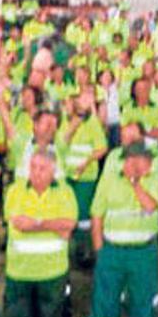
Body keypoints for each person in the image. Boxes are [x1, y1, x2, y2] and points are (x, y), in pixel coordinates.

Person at [80, 141, 158, 317]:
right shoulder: (109, 180)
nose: (134, 165)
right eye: (130, 160)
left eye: (140, 161)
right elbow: (97, 214)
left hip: (142, 254)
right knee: (102, 306)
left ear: (149, 164)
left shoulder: (154, 180)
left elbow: (151, 207)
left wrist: (136, 183)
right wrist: (100, 251)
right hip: (113, 253)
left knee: (142, 307)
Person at [0, 151, 77, 317]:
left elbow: (68, 225)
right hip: (20, 272)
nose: (36, 172)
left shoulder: (65, 192)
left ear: (53, 171)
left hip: (52, 273)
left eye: (42, 168)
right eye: (33, 167)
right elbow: (18, 223)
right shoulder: (16, 191)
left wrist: (37, 223)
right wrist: (52, 224)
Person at [62, 91, 108, 268]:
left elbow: (102, 148)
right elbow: (61, 142)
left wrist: (86, 162)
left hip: (85, 177)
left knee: (83, 215)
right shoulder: (65, 124)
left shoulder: (92, 124)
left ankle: (84, 249)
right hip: (67, 176)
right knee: (68, 212)